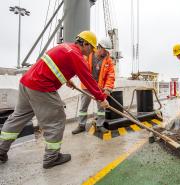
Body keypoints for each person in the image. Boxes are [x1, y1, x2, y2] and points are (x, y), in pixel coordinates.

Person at [0, 31, 109, 169]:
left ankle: (1, 149)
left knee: (18, 117)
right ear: (85, 43)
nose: (92, 51)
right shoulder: (76, 55)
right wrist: (101, 98)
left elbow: (53, 66)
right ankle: (51, 157)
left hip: (26, 82)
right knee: (56, 119)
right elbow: (88, 79)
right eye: (91, 47)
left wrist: (67, 79)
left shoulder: (64, 47)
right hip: (40, 87)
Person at [72, 37, 115, 134]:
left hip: (99, 87)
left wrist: (108, 88)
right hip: (87, 85)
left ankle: (100, 125)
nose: (106, 53)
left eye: (107, 51)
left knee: (101, 107)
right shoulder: (88, 54)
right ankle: (81, 125)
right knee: (83, 107)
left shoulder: (108, 60)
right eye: (105, 50)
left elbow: (111, 75)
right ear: (99, 47)